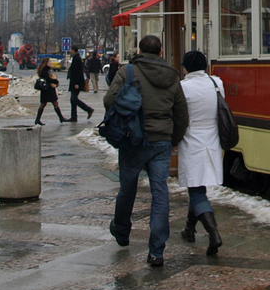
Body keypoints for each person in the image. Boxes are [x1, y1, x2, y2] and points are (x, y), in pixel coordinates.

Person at [104, 35, 188, 268]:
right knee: (160, 193)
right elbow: (182, 113)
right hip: (161, 142)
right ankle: (157, 251)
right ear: (161, 52)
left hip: (133, 139)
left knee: (127, 188)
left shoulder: (128, 72)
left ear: (139, 50)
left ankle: (121, 230)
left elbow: (108, 100)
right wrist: (175, 139)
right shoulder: (173, 76)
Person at [177, 50, 224, 255]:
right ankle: (189, 229)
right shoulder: (216, 84)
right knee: (198, 186)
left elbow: (178, 116)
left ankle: (213, 233)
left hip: (191, 141)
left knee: (195, 189)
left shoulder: (183, 88)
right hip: (212, 140)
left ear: (186, 67)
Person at [34, 57, 66, 125]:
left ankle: (38, 119)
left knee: (45, 104)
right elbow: (48, 79)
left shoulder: (43, 69)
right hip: (48, 89)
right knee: (53, 103)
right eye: (49, 62)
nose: (50, 63)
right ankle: (61, 117)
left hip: (46, 90)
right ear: (46, 63)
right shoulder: (45, 69)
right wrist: (55, 81)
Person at [66, 45, 94, 122]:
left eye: (70, 49)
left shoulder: (77, 58)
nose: (70, 51)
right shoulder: (76, 58)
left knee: (74, 99)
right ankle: (74, 116)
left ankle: (88, 109)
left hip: (76, 82)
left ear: (73, 50)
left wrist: (76, 83)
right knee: (72, 100)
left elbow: (77, 72)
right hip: (75, 82)